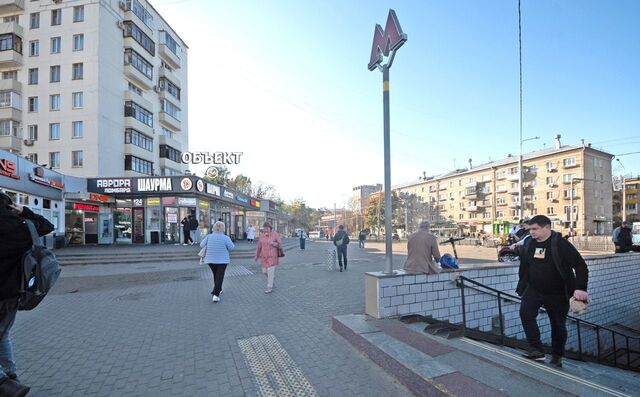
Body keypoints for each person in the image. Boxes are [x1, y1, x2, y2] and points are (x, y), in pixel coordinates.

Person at [514, 215, 589, 368]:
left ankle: (557, 356)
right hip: (534, 289)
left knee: (558, 325)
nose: (532, 232)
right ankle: (536, 350)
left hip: (558, 293)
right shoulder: (529, 242)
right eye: (530, 229)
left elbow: (580, 266)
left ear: (547, 227)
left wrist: (580, 288)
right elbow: (526, 263)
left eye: (535, 229)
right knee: (525, 313)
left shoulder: (560, 244)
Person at [0, 191, 54, 396]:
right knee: (3, 335)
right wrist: (25, 212)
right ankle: (11, 376)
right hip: (13, 293)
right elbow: (47, 225)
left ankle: (5, 384)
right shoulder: (21, 228)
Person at [200, 221, 235, 302]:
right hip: (222, 260)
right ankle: (216, 295)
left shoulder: (209, 236)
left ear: (213, 228)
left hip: (210, 260)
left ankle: (218, 289)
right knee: (219, 276)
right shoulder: (226, 238)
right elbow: (231, 248)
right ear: (223, 228)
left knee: (216, 274)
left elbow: (201, 245)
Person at [255, 222, 281, 293]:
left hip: (272, 257)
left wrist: (273, 243)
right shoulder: (262, 236)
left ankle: (270, 287)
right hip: (264, 257)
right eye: (264, 228)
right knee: (264, 271)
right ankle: (271, 278)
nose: (266, 230)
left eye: (267, 228)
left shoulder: (275, 234)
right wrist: (256, 256)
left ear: (270, 228)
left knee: (270, 272)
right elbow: (259, 247)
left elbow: (279, 244)